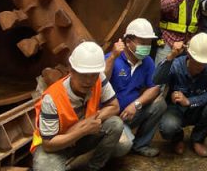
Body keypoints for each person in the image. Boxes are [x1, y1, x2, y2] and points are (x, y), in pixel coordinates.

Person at [31, 41, 124, 171]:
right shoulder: (52, 99)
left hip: (81, 138)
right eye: (83, 75)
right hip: (55, 146)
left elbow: (114, 107)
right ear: (71, 70)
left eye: (93, 75)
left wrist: (85, 124)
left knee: (116, 126)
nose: (88, 81)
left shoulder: (99, 78)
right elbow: (48, 144)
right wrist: (82, 130)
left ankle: (93, 168)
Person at [105, 19, 166, 157]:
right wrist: (112, 57)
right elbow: (100, 82)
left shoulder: (147, 62)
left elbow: (154, 87)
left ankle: (141, 145)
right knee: (122, 147)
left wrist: (136, 104)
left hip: (131, 113)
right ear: (128, 42)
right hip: (111, 118)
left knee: (159, 103)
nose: (146, 46)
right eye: (142, 42)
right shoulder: (112, 59)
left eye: (149, 43)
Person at [152, 32, 207, 157]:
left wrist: (190, 101)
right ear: (188, 54)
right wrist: (170, 56)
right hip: (176, 110)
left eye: (204, 62)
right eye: (197, 61)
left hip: (198, 109)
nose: (201, 65)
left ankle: (197, 139)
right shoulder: (177, 65)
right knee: (167, 128)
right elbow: (156, 80)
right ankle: (177, 138)